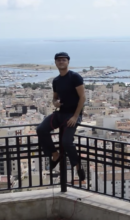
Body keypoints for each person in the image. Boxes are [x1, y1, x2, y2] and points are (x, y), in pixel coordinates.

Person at [36, 52, 86, 181]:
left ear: (68, 62)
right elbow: (54, 99)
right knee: (41, 129)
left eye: (64, 60)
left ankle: (78, 166)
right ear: (55, 63)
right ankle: (55, 154)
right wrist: (55, 103)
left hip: (73, 114)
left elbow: (82, 97)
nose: (61, 62)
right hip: (61, 113)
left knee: (66, 142)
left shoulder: (75, 77)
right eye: (59, 60)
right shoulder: (56, 81)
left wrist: (75, 116)